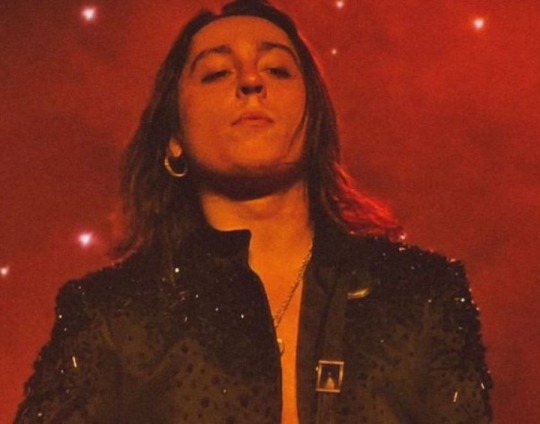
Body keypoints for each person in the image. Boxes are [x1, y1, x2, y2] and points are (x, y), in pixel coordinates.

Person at [15, 0, 493, 423]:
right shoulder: (110, 315)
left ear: (315, 120)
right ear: (174, 138)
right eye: (216, 73)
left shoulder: (424, 295)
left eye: (278, 70)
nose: (250, 82)